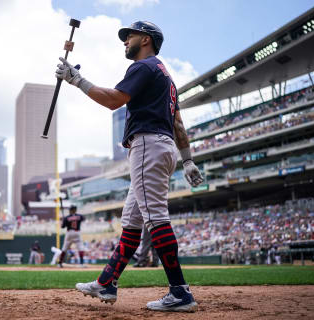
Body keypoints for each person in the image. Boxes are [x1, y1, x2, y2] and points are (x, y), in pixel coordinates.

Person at [56, 21, 204, 312]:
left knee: (155, 217)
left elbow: (114, 100)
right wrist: (186, 159)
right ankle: (107, 282)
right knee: (132, 221)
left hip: (148, 145)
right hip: (161, 146)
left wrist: (77, 80)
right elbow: (178, 123)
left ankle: (180, 292)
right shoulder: (166, 77)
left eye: (130, 36)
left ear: (145, 40)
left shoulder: (144, 67)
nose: (125, 41)